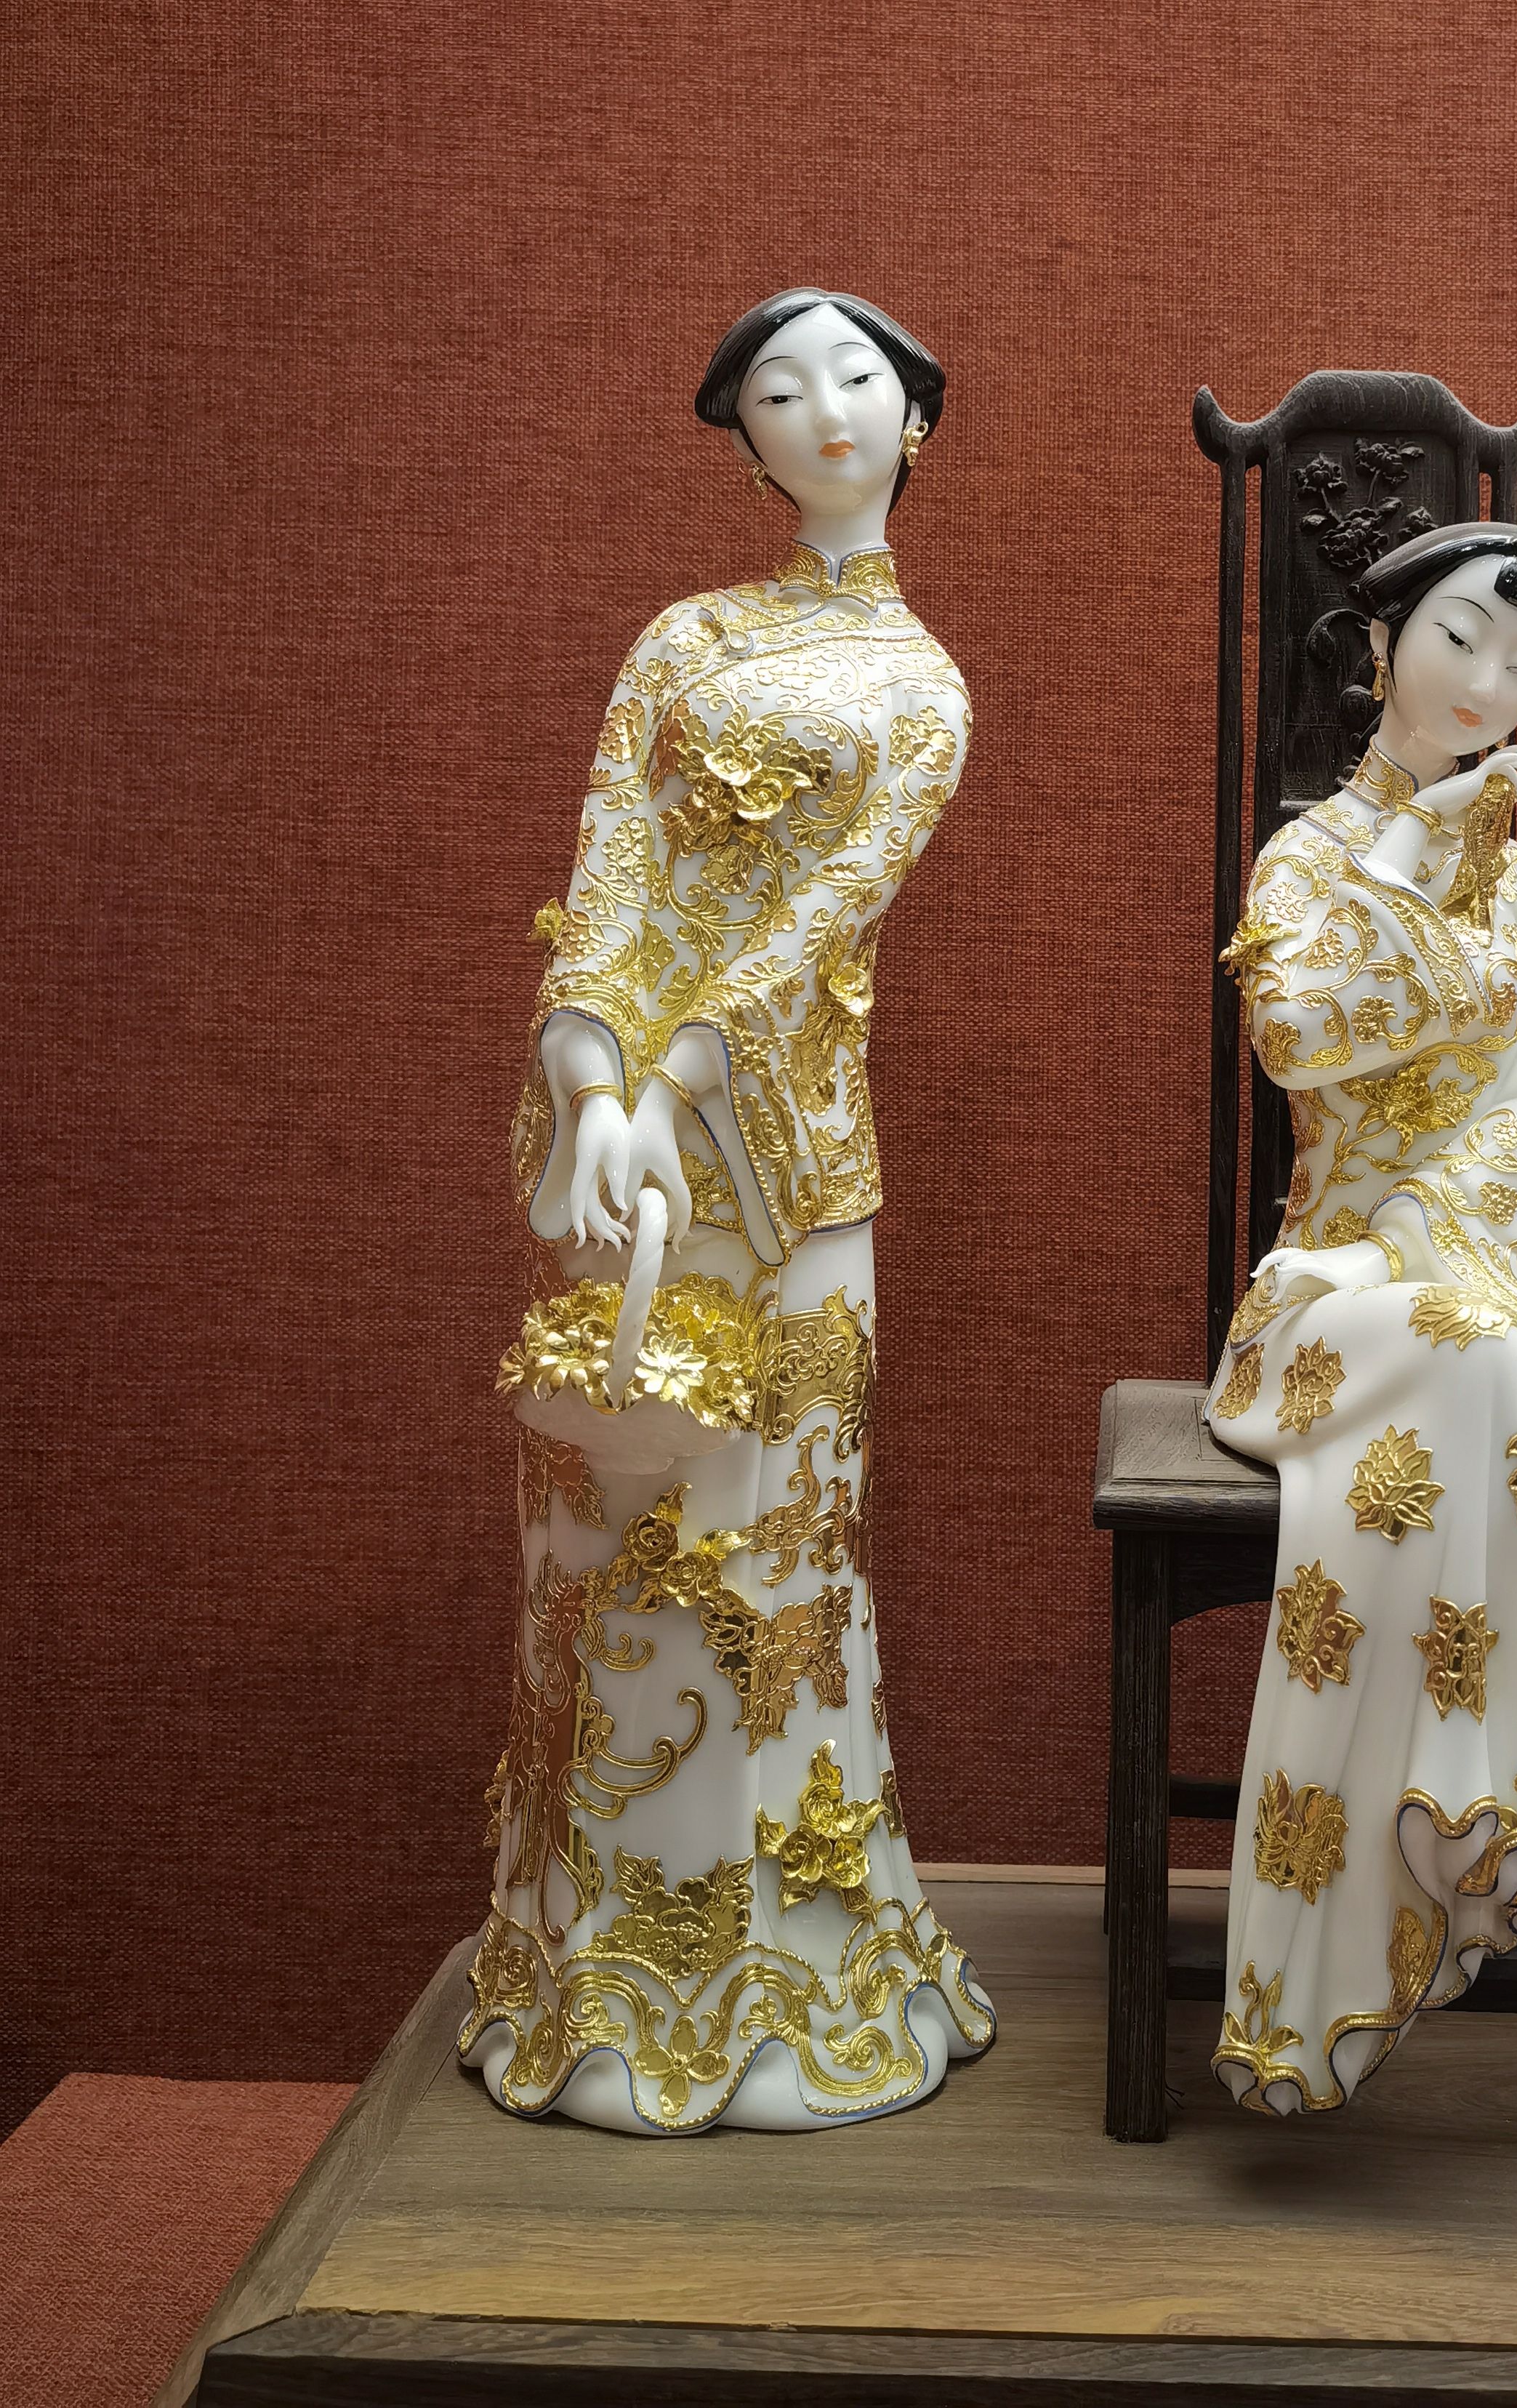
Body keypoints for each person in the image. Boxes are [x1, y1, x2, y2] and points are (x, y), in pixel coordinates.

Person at [459, 289, 995, 2132]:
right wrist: (587, 1073)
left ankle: (798, 1980)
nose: (822, 406)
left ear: (916, 417)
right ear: (742, 435)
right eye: (779, 385)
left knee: (774, 1557)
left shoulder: (924, 687)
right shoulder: (680, 640)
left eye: (859, 376)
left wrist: (677, 1080)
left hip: (783, 1161)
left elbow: (820, 922)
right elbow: (610, 867)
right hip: (617, 1160)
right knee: (598, 1543)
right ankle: (594, 1978)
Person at [1208, 519, 1517, 2118]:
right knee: (1478, 1358)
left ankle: (1490, 1833)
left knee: (1478, 1350)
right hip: (1319, 1301)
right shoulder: (1308, 859)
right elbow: (1300, 1035)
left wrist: (1433, 1229)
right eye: (1461, 641)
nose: (1490, 683)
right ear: (1380, 643)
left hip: (1463, 1291)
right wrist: (1406, 852)